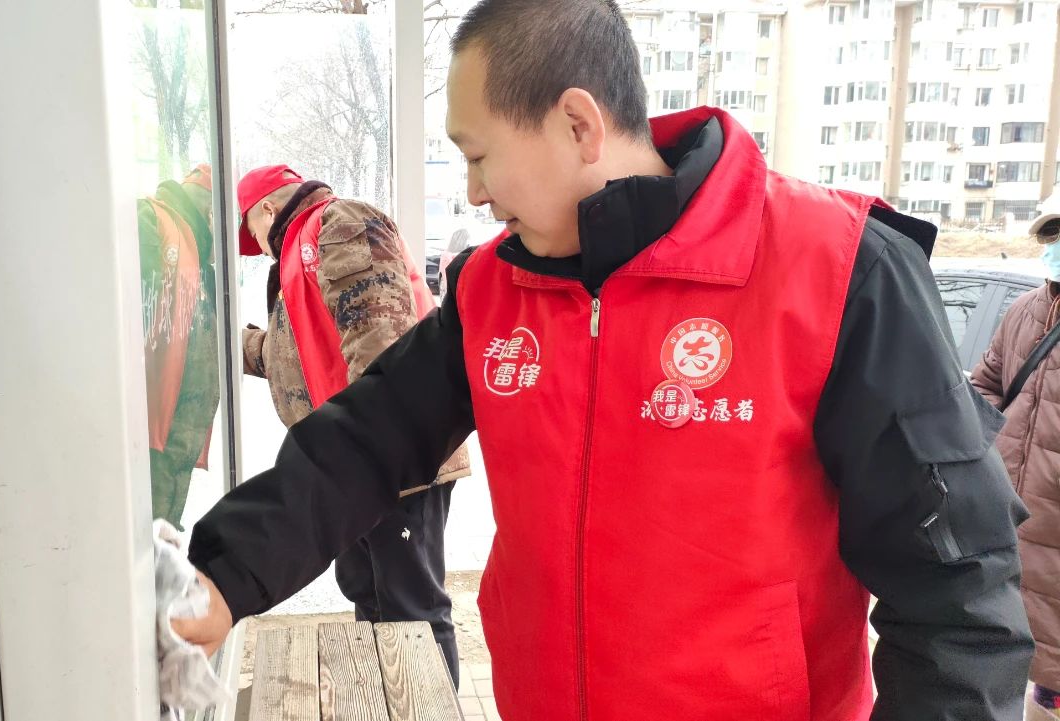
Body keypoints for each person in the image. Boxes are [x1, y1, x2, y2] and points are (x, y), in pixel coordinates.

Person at [175, 1, 1033, 718]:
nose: (473, 192)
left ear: (578, 124)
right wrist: (219, 578)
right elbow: (365, 441)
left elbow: (959, 594)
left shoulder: (838, 269)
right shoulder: (493, 289)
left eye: (478, 155)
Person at [231, 164, 470, 681]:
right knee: (369, 594)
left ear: (267, 210)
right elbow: (290, 356)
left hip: (393, 463)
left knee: (412, 609)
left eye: (252, 232)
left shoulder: (339, 223)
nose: (260, 248)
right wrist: (227, 344)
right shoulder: (299, 254)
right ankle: (387, 704)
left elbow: (383, 344)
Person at [971, 195, 1060, 720]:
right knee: (1029, 667)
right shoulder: (1025, 310)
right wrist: (994, 444)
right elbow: (984, 384)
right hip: (1014, 524)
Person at [138, 164, 221, 529]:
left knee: (162, 530)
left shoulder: (200, 260)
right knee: (147, 533)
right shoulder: (150, 219)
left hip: (179, 439)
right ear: (211, 214)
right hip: (155, 429)